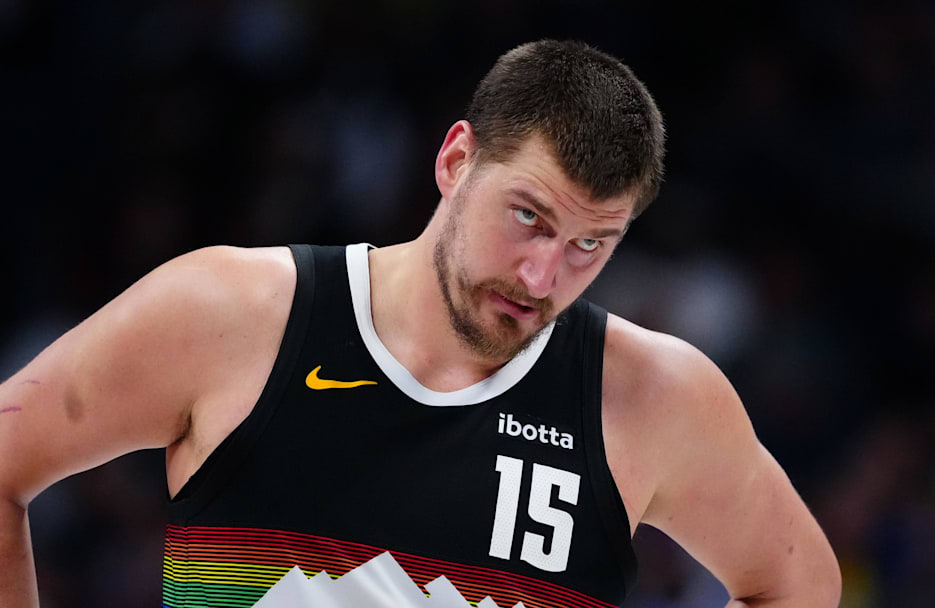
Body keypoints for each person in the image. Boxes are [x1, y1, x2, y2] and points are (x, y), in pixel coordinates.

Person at [0, 40, 841, 608]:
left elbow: (800, 586)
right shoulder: (236, 313)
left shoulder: (654, 397)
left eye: (592, 243)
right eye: (529, 218)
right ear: (455, 162)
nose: (545, 277)